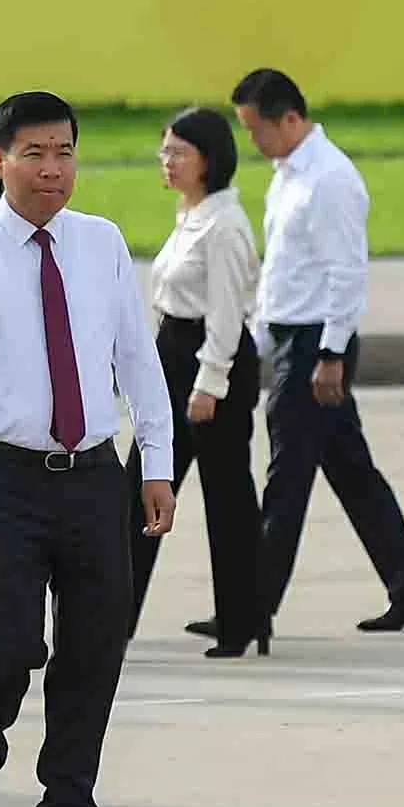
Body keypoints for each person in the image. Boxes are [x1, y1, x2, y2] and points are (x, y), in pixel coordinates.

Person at [0, 91, 172, 807]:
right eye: (33, 153)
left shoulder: (101, 243)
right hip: (5, 478)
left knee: (94, 652)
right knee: (11, 647)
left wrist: (156, 462)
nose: (52, 168)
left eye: (64, 151)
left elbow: (137, 358)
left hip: (95, 477)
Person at [229, 70, 404, 637]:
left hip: (316, 345)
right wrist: (257, 341)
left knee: (286, 477)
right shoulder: (287, 176)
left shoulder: (330, 179)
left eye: (256, 129)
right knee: (353, 474)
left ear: (289, 119)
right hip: (292, 339)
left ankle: (251, 607)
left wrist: (332, 354)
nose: (252, 141)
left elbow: (346, 272)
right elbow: (282, 272)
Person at [135, 106, 263, 656]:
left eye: (178, 153)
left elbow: (228, 315)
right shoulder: (191, 214)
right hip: (173, 353)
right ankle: (111, 618)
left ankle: (242, 622)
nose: (166, 161)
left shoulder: (225, 225)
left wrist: (209, 384)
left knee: (226, 496)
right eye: (164, 151)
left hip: (211, 364)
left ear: (208, 160)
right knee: (140, 488)